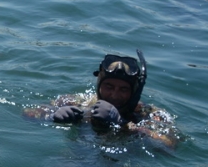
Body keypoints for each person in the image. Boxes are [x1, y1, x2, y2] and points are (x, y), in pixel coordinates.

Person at [23, 49, 178, 148]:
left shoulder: (148, 113)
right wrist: (51, 115)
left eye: (123, 89)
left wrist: (124, 125)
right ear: (99, 85)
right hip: (79, 159)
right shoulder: (80, 102)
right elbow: (28, 113)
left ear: (135, 91)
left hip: (125, 166)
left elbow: (170, 144)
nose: (114, 95)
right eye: (109, 87)